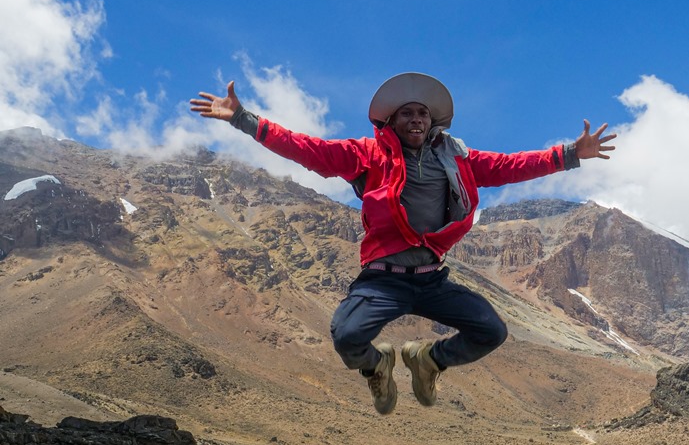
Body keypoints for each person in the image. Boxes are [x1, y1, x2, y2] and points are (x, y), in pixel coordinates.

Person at [190, 72, 616, 415]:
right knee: (346, 336)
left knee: (491, 330)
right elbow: (307, 149)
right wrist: (245, 119)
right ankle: (379, 366)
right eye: (407, 113)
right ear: (390, 121)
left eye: (423, 114)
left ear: (433, 122)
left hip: (432, 279)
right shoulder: (366, 154)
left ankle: (428, 359)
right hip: (383, 280)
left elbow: (510, 166)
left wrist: (570, 154)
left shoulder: (457, 157)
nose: (416, 119)